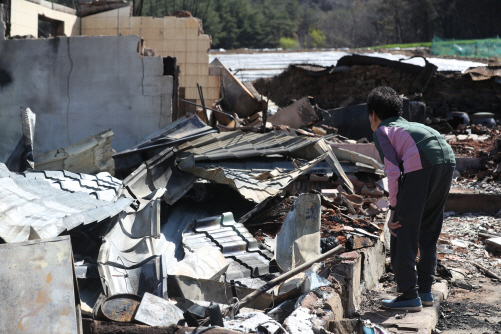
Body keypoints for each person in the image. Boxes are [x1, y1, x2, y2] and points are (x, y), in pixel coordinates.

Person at [367, 86, 455, 312]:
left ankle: (408, 295)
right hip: (446, 160)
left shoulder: (382, 131)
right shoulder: (413, 126)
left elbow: (393, 172)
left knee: (400, 230)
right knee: (429, 229)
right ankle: (425, 292)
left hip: (422, 163)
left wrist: (394, 208)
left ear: (373, 115)